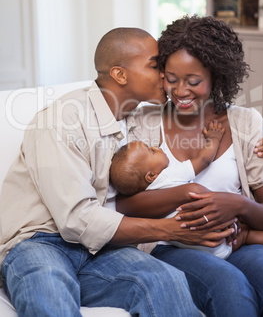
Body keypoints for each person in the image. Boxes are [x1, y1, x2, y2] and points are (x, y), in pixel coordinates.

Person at [0, 27, 206, 317]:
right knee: (49, 292)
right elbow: (76, 219)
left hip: (100, 251)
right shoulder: (63, 120)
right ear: (120, 75)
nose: (166, 74)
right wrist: (169, 229)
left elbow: (207, 108)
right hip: (41, 241)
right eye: (155, 65)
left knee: (165, 281)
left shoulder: (138, 122)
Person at [115, 15, 263, 316]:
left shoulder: (245, 123)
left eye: (193, 81)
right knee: (228, 287)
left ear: (216, 76)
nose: (181, 91)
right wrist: (189, 192)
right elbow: (121, 204)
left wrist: (236, 205)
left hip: (233, 243)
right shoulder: (143, 123)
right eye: (171, 79)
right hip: (168, 246)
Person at [110, 136, 263, 258]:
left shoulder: (147, 192)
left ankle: (245, 236)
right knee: (245, 233)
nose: (155, 147)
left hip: (203, 246)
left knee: (245, 236)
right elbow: (203, 160)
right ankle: (245, 234)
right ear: (151, 176)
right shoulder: (169, 175)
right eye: (151, 151)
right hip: (218, 230)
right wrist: (214, 139)